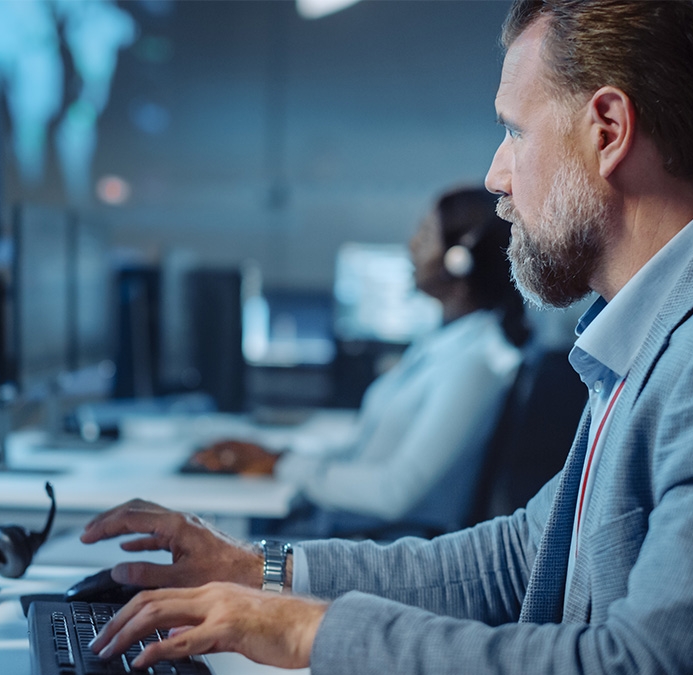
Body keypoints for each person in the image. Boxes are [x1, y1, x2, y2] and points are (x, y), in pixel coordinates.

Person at [74, 0, 693, 672]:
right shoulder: (669, 327)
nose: (495, 175)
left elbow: (649, 663)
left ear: (608, 129)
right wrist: (260, 569)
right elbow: (518, 558)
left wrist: (313, 630)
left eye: (515, 130)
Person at [189, 187, 528, 536]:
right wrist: (277, 456)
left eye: (425, 235)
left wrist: (284, 465)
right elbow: (360, 452)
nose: (412, 245)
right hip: (354, 530)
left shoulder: (475, 363)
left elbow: (394, 492)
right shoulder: (444, 345)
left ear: (459, 259)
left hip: (388, 546)